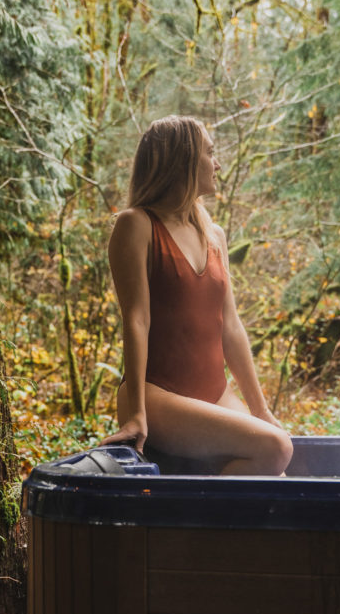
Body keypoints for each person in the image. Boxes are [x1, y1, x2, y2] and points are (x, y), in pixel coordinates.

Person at [101, 115, 292, 476]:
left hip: (213, 392)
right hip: (157, 395)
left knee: (277, 470)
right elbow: (137, 319)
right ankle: (190, 519)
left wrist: (261, 410)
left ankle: (204, 523)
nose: (217, 163)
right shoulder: (136, 224)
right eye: (210, 153)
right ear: (183, 160)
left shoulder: (214, 234)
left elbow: (231, 327)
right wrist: (138, 413)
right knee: (276, 448)